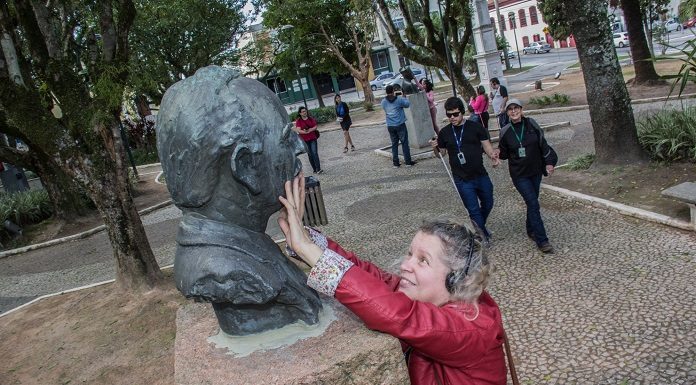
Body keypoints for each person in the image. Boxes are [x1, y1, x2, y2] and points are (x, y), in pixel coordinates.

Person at [277, 175, 507, 385]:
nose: (406, 266)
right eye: (410, 254)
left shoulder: (470, 328)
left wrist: (309, 251)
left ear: (457, 279)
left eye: (423, 261)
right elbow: (371, 277)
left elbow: (399, 315)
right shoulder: (430, 294)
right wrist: (308, 241)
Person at [156, 66, 322, 335]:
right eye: (284, 138)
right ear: (245, 167)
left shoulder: (240, 247)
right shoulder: (223, 271)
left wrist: (306, 244)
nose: (299, 146)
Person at [433, 97, 500, 242]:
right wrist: (435, 147)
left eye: (455, 114)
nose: (452, 118)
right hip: (462, 179)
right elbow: (441, 155)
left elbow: (487, 146)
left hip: (480, 174)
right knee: (473, 209)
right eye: (449, 115)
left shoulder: (475, 127)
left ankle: (479, 227)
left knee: (488, 202)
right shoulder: (444, 133)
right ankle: (483, 235)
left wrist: (493, 156)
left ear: (462, 112)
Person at [497, 98, 558, 254]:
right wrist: (497, 154)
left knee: (533, 203)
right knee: (533, 203)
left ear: (521, 109)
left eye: (516, 108)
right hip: (519, 175)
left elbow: (543, 145)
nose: (513, 111)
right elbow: (503, 154)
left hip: (535, 171)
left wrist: (549, 162)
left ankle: (530, 228)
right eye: (510, 109)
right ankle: (542, 240)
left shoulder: (532, 124)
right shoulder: (505, 131)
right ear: (507, 112)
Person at [381, 85, 416, 168]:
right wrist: (404, 97)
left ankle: (396, 163)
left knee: (394, 144)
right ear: (393, 91)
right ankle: (408, 162)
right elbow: (407, 104)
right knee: (404, 143)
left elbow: (385, 110)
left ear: (386, 92)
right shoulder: (399, 99)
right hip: (400, 124)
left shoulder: (383, 102)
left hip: (390, 125)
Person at [295, 106, 323, 174]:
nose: (305, 112)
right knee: (310, 154)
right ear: (300, 113)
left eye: (305, 111)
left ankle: (318, 169)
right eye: (303, 112)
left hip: (313, 138)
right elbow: (298, 130)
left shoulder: (310, 119)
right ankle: (314, 169)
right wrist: (304, 132)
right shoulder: (299, 121)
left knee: (314, 153)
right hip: (305, 140)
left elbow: (315, 126)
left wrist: (310, 130)